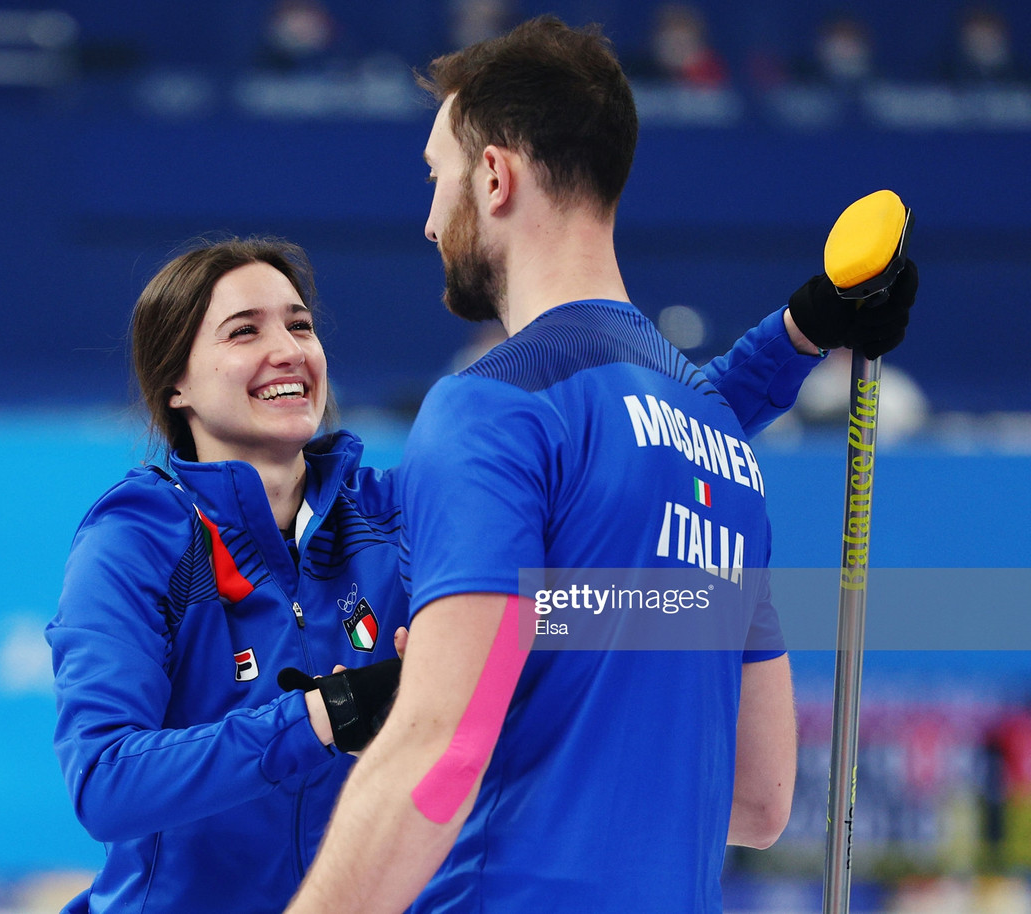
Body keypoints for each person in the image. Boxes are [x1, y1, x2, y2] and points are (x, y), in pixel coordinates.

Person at [46, 219, 912, 910]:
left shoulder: (385, 515)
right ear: (177, 386)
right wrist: (320, 717)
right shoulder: (139, 539)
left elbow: (643, 426)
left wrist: (802, 334)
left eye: (300, 325)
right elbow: (104, 780)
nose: (288, 349)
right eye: (244, 331)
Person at [286, 16, 918, 914]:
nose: (429, 220)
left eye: (438, 177)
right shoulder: (721, 450)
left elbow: (440, 748)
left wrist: (454, 693)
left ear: (495, 177)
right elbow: (759, 797)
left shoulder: (488, 406)